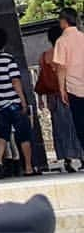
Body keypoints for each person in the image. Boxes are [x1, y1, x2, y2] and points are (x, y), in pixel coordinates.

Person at [0, 27, 35, 177]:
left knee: (2, 135)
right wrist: (23, 101)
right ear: (4, 42)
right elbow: (16, 81)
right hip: (14, 103)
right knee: (23, 136)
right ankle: (28, 167)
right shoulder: (8, 59)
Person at [37, 23, 82, 172]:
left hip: (52, 98)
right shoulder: (65, 51)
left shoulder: (44, 56)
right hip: (69, 92)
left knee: (59, 128)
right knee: (76, 125)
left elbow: (41, 79)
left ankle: (66, 159)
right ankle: (81, 156)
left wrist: (40, 101)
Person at [54, 7, 84, 155]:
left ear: (64, 21)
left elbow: (61, 67)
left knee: (80, 123)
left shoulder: (62, 41)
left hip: (74, 87)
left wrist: (61, 88)